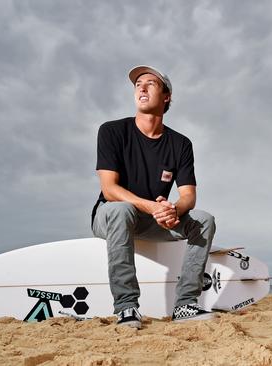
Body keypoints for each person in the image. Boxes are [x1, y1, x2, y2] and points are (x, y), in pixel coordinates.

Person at [91, 65, 216, 329]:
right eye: (138, 85)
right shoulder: (112, 131)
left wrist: (173, 209)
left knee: (204, 220)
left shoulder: (180, 144)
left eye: (150, 83)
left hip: (154, 219)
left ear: (167, 96)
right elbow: (109, 189)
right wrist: (151, 207)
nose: (142, 88)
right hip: (111, 215)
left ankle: (185, 305)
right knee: (121, 209)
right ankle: (126, 307)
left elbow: (188, 196)